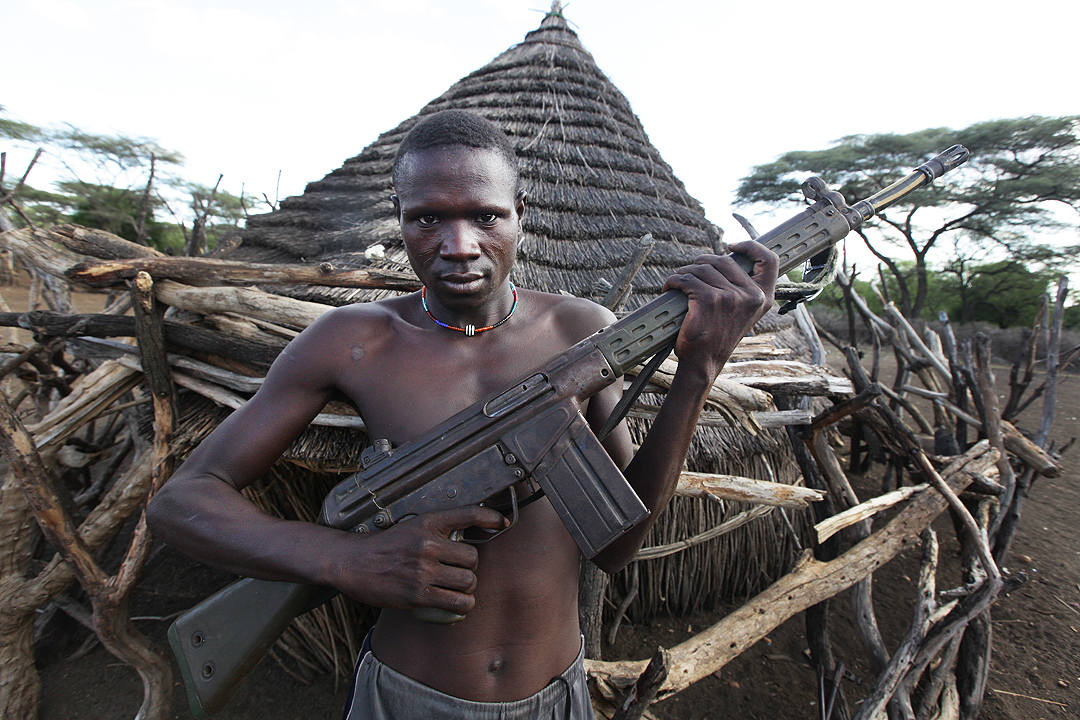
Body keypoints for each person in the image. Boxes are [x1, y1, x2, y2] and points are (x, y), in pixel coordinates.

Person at [147, 109, 778, 719]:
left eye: (485, 216)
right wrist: (340, 560)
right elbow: (182, 501)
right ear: (399, 219)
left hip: (559, 695)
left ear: (520, 216)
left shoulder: (580, 330)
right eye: (428, 219)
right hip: (408, 696)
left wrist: (697, 373)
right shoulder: (354, 339)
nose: (459, 246)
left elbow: (616, 547)